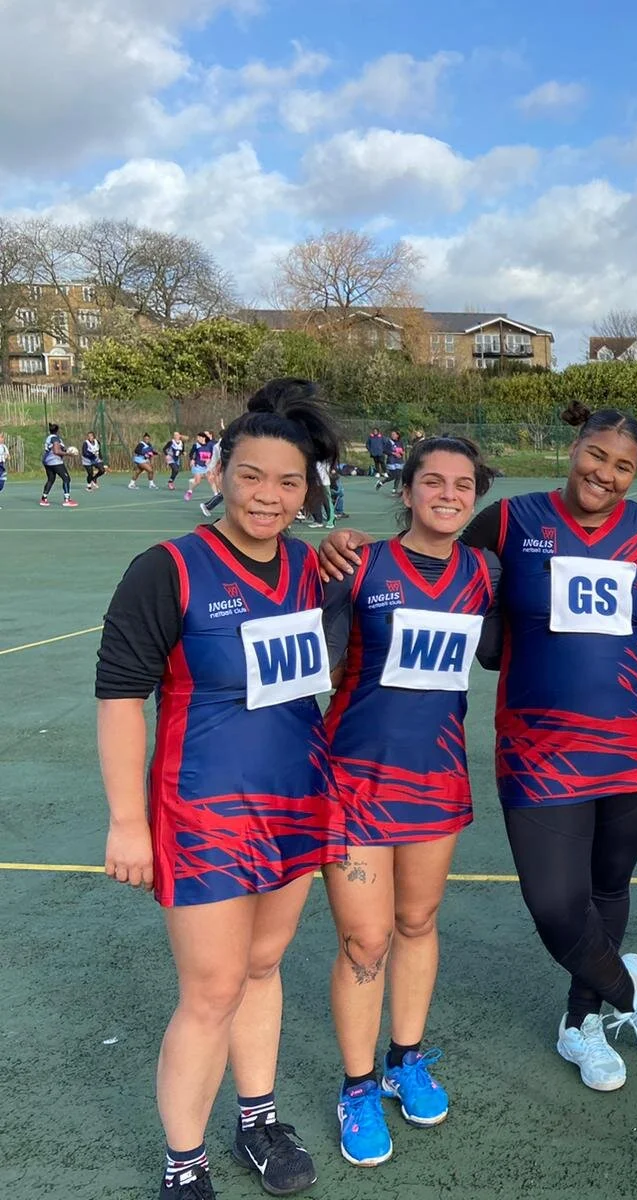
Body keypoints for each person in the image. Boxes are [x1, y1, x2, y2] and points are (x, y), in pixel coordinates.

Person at [322, 405, 637, 1093]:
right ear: (574, 448)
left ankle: (581, 1024)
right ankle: (632, 991)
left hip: (634, 744)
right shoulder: (513, 522)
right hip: (539, 749)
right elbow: (428, 553)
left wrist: (625, 667)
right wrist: (343, 545)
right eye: (595, 455)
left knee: (607, 887)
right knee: (557, 903)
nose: (604, 474)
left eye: (623, 466)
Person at [97, 379, 344, 1200]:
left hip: (295, 798)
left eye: (287, 482)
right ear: (219, 472)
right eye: (250, 476)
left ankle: (257, 1121)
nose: (267, 496)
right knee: (210, 989)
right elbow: (121, 696)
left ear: (306, 489)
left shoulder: (314, 567)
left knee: (265, 966)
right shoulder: (166, 569)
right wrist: (127, 821)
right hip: (202, 807)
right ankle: (183, 1163)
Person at [317, 437, 498, 1166]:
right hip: (355, 779)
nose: (447, 494)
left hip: (437, 775)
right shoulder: (358, 565)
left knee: (417, 921)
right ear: (407, 489)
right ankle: (357, 1088)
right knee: (366, 941)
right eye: (432, 481)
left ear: (474, 496)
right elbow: (317, 661)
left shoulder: (485, 571)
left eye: (461, 484)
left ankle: (406, 1060)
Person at [39, 422, 77, 507]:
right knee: (66, 479)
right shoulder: (55, 439)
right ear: (57, 430)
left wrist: (66, 450)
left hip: (47, 462)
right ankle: (67, 500)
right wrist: (69, 454)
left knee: (51, 479)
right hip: (55, 462)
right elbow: (56, 451)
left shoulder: (49, 438)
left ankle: (44, 498)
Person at [185, 433, 216, 503]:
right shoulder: (196, 445)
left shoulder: (211, 445)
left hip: (207, 466)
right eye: (198, 437)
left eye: (199, 437)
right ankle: (189, 491)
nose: (198, 438)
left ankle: (216, 495)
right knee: (198, 481)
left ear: (204, 438)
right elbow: (191, 454)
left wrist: (210, 459)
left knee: (211, 479)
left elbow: (214, 454)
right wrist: (192, 459)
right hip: (198, 465)